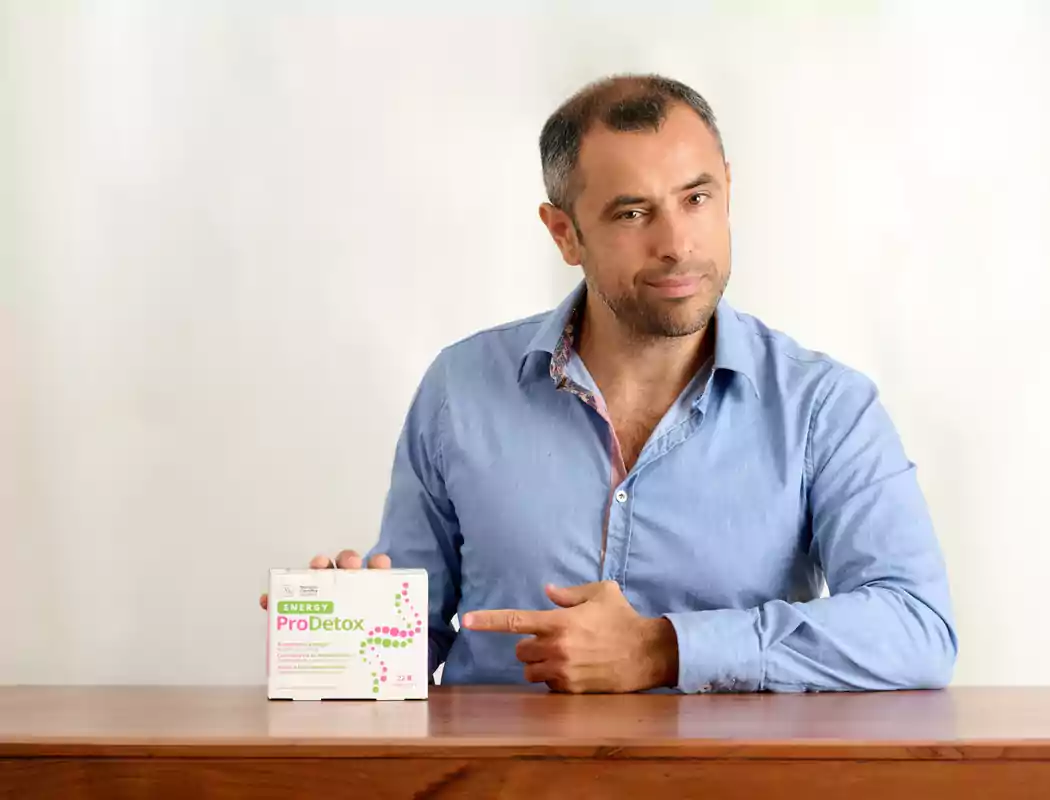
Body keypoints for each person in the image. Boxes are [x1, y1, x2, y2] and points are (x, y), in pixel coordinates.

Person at [259, 74, 957, 694]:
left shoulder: (824, 408)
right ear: (564, 234)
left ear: (728, 194)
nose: (677, 242)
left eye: (696, 198)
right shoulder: (460, 389)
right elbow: (409, 646)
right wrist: (349, 631)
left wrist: (665, 650)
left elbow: (917, 628)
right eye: (632, 212)